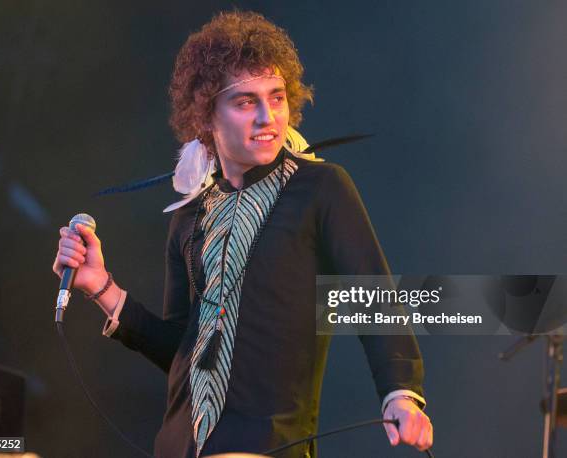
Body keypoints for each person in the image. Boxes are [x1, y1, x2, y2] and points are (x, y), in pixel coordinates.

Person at [53, 11, 433, 458]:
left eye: (276, 97)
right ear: (205, 116)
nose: (267, 116)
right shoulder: (189, 216)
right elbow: (184, 353)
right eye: (245, 101)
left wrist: (401, 394)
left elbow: (375, 298)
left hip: (267, 445)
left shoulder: (320, 187)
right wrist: (102, 288)